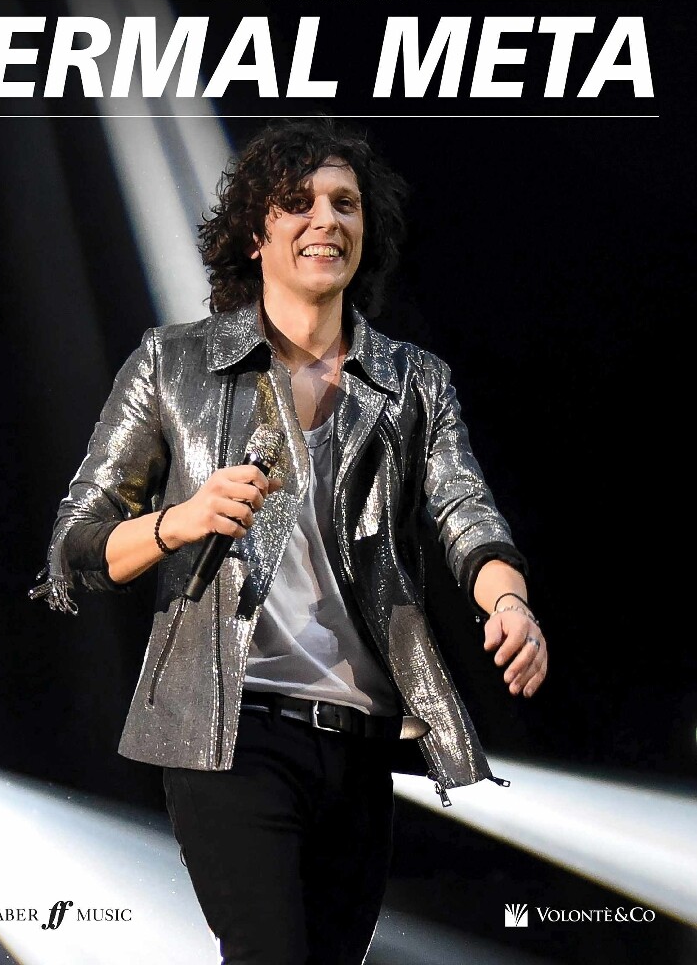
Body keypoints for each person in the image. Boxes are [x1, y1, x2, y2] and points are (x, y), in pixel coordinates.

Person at [30, 116, 547, 965]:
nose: (325, 220)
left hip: (362, 741)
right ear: (254, 234)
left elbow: (465, 512)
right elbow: (76, 542)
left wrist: (510, 603)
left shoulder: (413, 382)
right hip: (229, 731)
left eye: (344, 203)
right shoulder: (173, 364)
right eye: (297, 203)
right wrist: (178, 521)